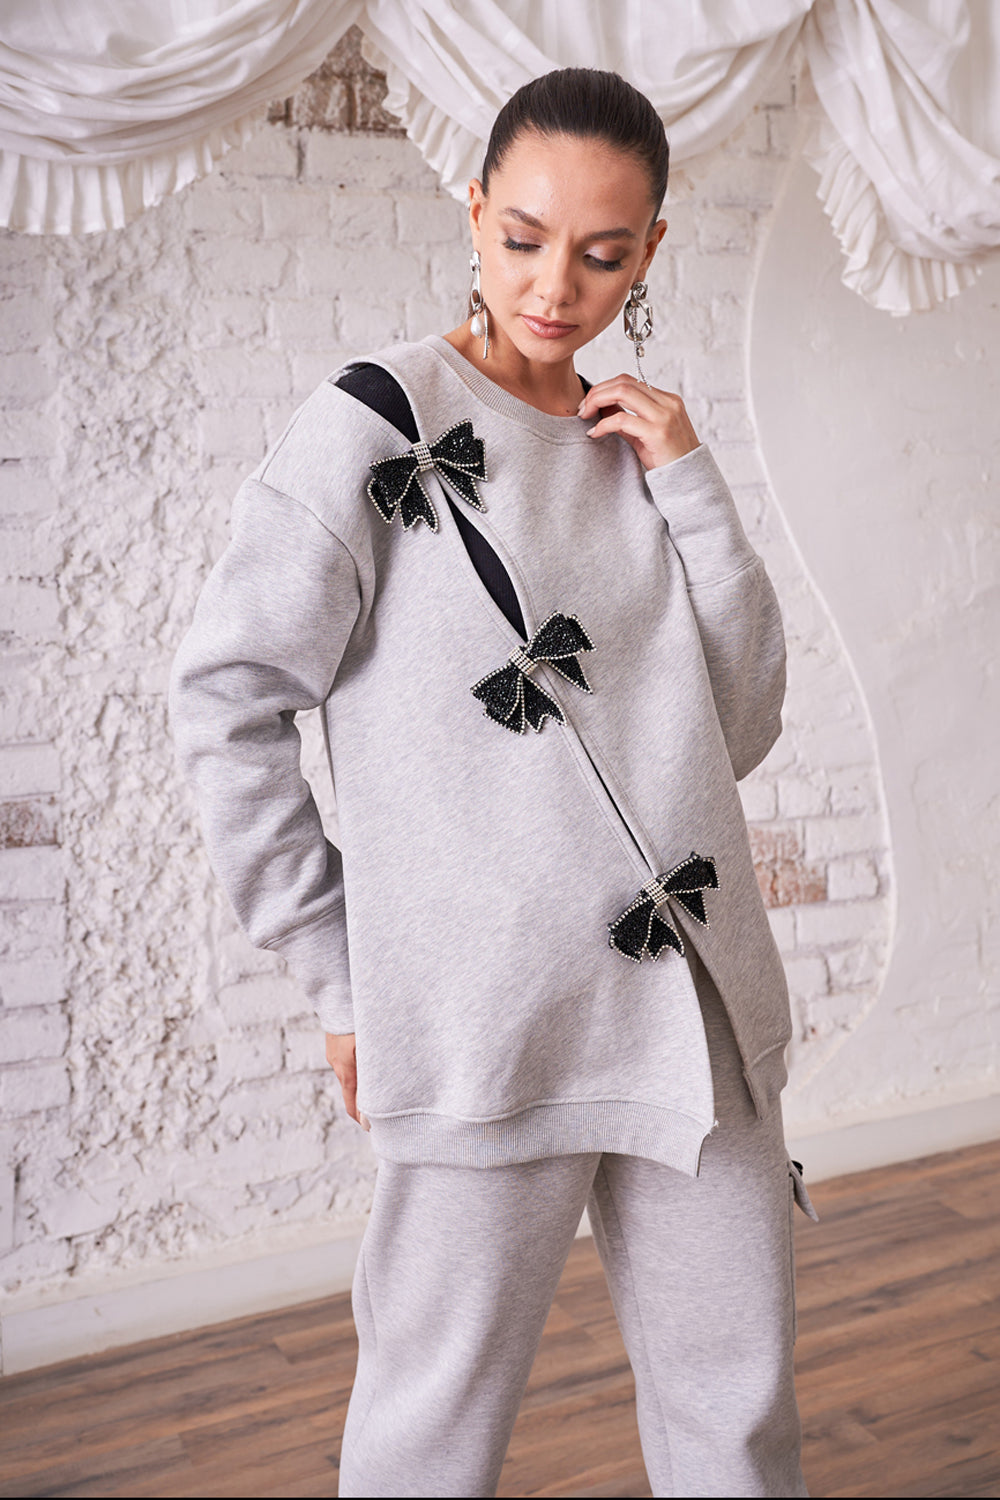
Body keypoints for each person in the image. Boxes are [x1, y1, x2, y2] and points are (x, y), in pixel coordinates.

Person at [169, 66, 816, 1500]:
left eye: (602, 253)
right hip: (479, 1017)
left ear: (650, 251)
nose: (554, 287)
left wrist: (691, 480)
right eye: (523, 237)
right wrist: (340, 972)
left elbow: (740, 723)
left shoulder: (636, 448)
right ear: (472, 211)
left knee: (738, 1418)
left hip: (691, 1012)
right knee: (433, 1430)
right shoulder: (376, 423)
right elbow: (226, 699)